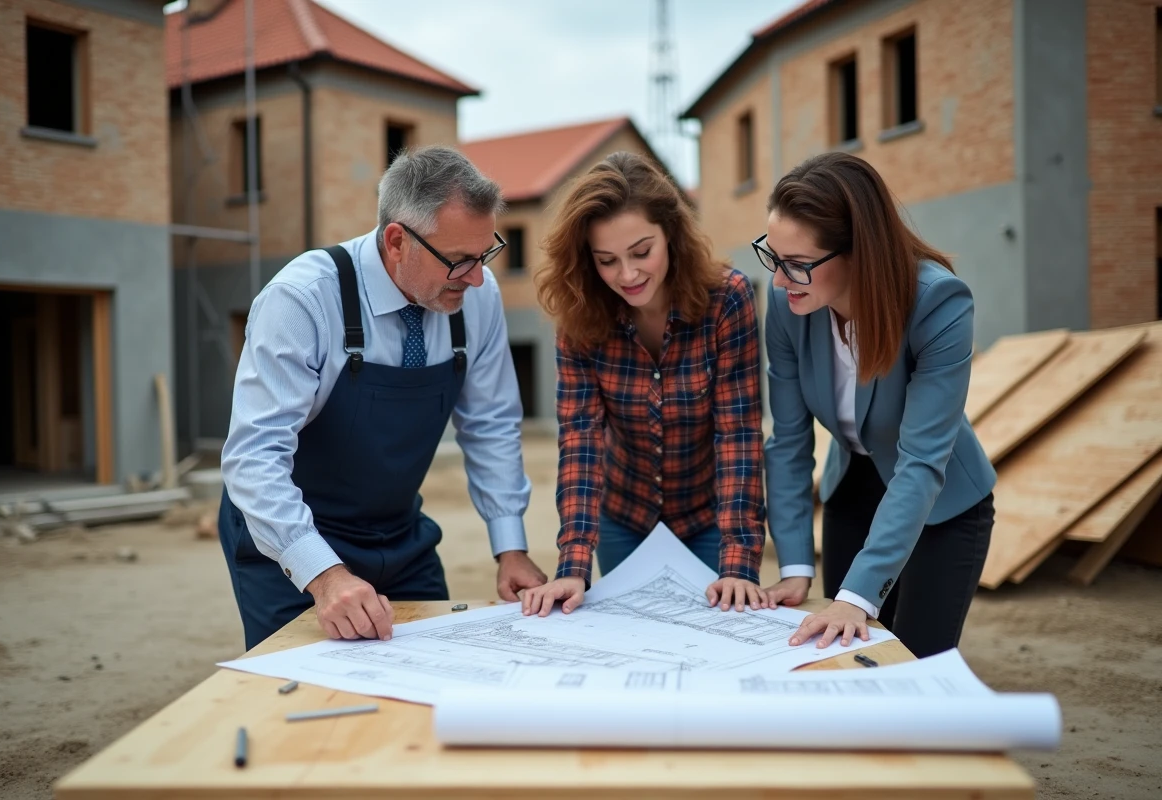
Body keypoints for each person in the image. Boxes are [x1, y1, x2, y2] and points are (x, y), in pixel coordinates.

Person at [219, 145, 547, 650]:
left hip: (400, 535)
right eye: (460, 261)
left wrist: (511, 548)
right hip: (291, 538)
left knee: (437, 670)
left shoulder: (476, 296)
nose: (478, 277)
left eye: (486, 254)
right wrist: (324, 574)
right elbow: (253, 458)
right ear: (397, 241)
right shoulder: (302, 301)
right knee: (302, 688)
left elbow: (491, 424)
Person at [756, 151, 996, 659]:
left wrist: (858, 597)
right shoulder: (786, 305)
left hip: (942, 501)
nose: (778, 280)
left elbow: (921, 462)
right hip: (853, 487)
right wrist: (796, 565)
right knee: (845, 660)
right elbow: (789, 442)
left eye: (797, 266)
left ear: (857, 252)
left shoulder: (938, 303)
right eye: (773, 257)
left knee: (913, 663)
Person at [520, 151, 766, 618]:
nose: (628, 275)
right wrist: (574, 564)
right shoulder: (579, 317)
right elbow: (581, 439)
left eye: (641, 252)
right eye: (607, 260)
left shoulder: (727, 300)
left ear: (670, 234)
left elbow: (738, 433)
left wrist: (739, 563)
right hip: (623, 516)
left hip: (708, 516)